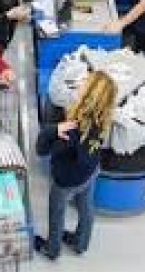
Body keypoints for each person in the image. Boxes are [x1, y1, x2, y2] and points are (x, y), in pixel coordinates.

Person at [34, 70, 117, 260]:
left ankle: (52, 249)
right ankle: (81, 244)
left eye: (84, 83)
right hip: (90, 171)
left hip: (67, 180)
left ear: (89, 94)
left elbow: (41, 150)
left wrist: (54, 129)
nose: (80, 83)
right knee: (87, 208)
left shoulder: (71, 130)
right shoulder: (103, 120)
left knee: (57, 212)